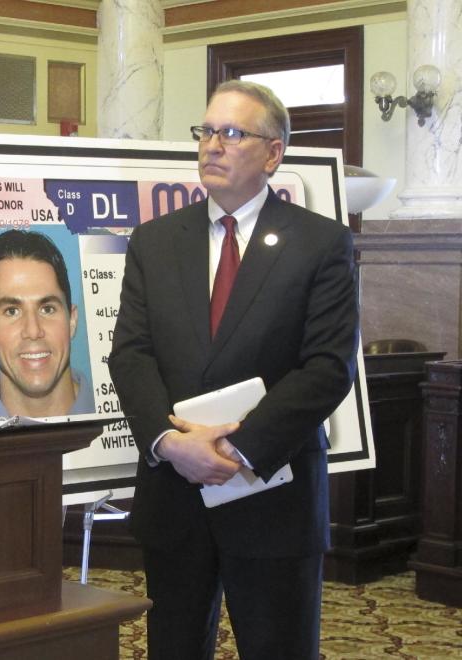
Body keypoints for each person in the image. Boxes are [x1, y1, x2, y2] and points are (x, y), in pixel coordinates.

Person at [108, 79, 358, 659]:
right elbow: (132, 353)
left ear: (273, 153)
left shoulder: (320, 244)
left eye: (232, 133)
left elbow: (326, 367)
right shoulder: (155, 241)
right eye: (206, 132)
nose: (212, 145)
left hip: (272, 496)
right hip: (175, 495)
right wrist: (171, 443)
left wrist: (235, 451)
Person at [0, 229, 93, 421]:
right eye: (12, 311)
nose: (33, 331)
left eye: (47, 309)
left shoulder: (123, 412)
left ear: (72, 320)